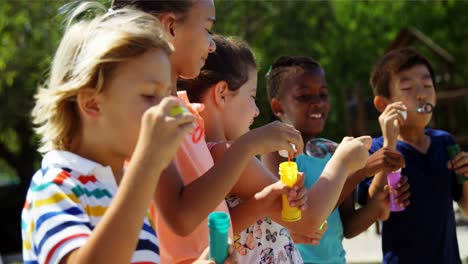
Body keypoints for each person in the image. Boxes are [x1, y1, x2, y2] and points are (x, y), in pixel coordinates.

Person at [111, 1, 304, 263]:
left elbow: (203, 215)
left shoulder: (182, 111)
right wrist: (247, 145)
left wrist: (262, 203)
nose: (212, 45)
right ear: (170, 28)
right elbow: (182, 217)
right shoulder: (152, 115)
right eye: (207, 28)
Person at [21, 3, 195, 263]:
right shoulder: (55, 186)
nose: (166, 110)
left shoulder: (122, 189)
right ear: (91, 103)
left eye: (166, 94)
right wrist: (146, 166)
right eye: (149, 96)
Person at [179, 35, 374, 263]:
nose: (256, 111)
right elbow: (309, 218)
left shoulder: (197, 152)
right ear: (222, 93)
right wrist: (342, 162)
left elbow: (228, 223)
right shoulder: (229, 154)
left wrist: (277, 225)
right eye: (251, 96)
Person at [262, 55, 410, 263]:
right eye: (304, 97)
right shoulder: (276, 151)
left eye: (323, 95)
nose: (318, 103)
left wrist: (377, 208)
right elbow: (300, 221)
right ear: (278, 107)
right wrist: (361, 171)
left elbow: (348, 226)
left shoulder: (332, 153)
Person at [358, 47, 468, 264]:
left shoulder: (445, 143)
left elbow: (466, 207)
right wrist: (390, 143)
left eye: (428, 85)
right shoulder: (375, 150)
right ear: (383, 104)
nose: (422, 94)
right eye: (407, 88)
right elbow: (375, 209)